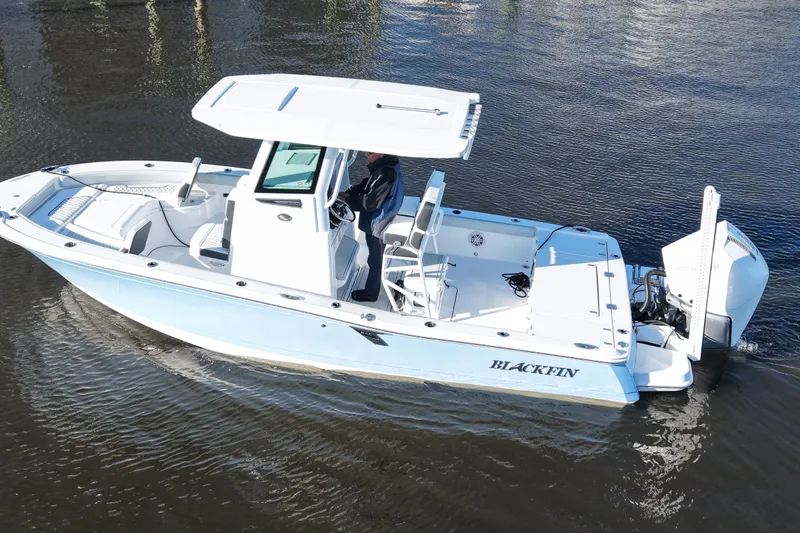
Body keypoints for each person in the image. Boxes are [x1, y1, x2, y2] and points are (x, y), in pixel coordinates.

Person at [339, 152, 404, 302]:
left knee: (375, 261)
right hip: (388, 215)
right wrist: (349, 193)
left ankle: (371, 294)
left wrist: (348, 199)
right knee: (376, 257)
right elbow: (368, 184)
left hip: (380, 223)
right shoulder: (388, 166)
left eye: (370, 152)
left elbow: (369, 203)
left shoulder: (385, 174)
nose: (367, 155)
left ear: (381, 153)